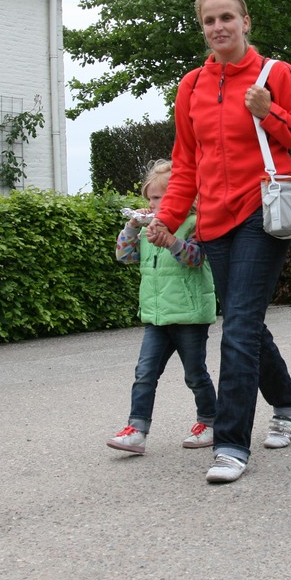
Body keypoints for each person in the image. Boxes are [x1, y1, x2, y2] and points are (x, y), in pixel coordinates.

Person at [147, 0, 291, 483]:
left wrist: (270, 112)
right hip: (213, 219)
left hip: (261, 212)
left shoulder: (277, 74)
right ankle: (288, 400)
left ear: (246, 22)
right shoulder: (191, 86)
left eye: (227, 17)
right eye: (210, 21)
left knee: (240, 328)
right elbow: (186, 163)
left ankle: (230, 444)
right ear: (203, 29)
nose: (218, 27)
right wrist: (168, 218)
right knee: (245, 324)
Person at [107, 160, 218, 455]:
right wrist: (132, 226)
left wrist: (171, 241)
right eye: (150, 198)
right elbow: (123, 256)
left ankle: (210, 420)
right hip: (156, 316)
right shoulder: (148, 228)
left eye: (158, 198)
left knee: (194, 374)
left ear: (180, 197)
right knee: (145, 373)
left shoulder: (195, 223)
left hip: (189, 315)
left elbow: (195, 258)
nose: (152, 204)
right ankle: (136, 429)